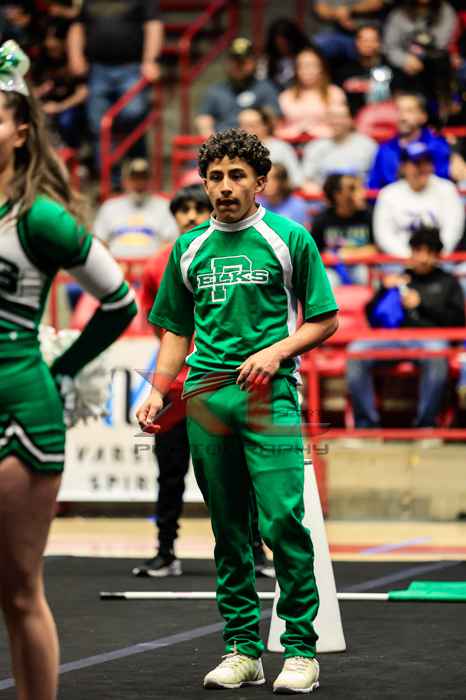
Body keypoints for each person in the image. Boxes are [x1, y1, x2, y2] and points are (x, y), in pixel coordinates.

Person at [136, 128, 339, 693]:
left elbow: (325, 319)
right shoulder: (188, 248)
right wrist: (158, 389)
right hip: (205, 395)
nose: (225, 187)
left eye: (237, 176)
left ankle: (300, 652)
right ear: (205, 184)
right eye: (215, 177)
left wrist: (276, 352)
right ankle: (243, 650)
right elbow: (175, 329)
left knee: (282, 521)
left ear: (260, 182)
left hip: (269, 396)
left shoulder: (289, 238)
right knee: (229, 530)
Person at [0, 40, 137, 699]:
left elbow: (120, 300)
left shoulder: (41, 218)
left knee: (18, 589)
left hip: (18, 414)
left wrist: (66, 367)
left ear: (21, 131)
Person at [135, 184, 274, 578]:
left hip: (225, 382)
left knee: (240, 470)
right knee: (170, 471)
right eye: (184, 209)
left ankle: (255, 551)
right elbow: (163, 324)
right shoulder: (160, 263)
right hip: (179, 386)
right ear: (175, 216)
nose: (192, 215)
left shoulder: (238, 251)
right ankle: (165, 551)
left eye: (198, 207)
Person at [347, 224, 465, 429]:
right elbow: (372, 318)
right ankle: (366, 426)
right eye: (418, 250)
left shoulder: (448, 282)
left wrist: (421, 304)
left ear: (437, 255)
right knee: (355, 351)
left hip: (431, 340)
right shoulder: (400, 277)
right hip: (392, 338)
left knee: (437, 355)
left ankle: (426, 426)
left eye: (429, 252)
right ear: (412, 252)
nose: (423, 257)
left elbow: (457, 322)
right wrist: (383, 289)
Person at [67, 0, 163, 172]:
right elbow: (77, 28)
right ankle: (110, 175)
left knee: (133, 112)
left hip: (131, 68)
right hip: (98, 69)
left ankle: (134, 162)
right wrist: (75, 56)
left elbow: (153, 26)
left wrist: (150, 60)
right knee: (97, 122)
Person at [373, 141, 464, 256]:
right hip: (399, 260)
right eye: (417, 163)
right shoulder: (388, 194)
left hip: (439, 259)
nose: (423, 168)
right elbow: (384, 235)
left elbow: (453, 230)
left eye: (427, 162)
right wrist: (410, 257)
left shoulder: (447, 189)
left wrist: (433, 254)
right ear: (403, 167)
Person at [93, 158, 178, 260]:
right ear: (126, 180)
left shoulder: (164, 206)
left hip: (152, 265)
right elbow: (99, 242)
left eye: (143, 177)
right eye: (135, 178)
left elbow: (170, 243)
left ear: (150, 180)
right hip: (116, 264)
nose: (139, 183)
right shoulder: (109, 207)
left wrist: (154, 265)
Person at [383, 0, 457, 117]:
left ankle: (442, 111)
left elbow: (442, 43)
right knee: (394, 71)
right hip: (405, 64)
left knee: (441, 62)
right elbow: (390, 46)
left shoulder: (445, 10)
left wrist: (420, 57)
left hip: (434, 61)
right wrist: (405, 60)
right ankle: (400, 113)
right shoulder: (399, 14)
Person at [196, 37, 280, 137]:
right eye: (234, 61)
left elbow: (274, 119)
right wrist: (213, 142)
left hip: (256, 141)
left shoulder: (266, 88)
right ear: (227, 62)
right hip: (223, 142)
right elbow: (204, 119)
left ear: (253, 62)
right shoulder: (215, 90)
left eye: (242, 62)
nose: (238, 66)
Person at [367, 92, 451, 189]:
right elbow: (373, 189)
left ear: (423, 116)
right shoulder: (384, 150)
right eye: (398, 110)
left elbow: (443, 186)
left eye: (409, 111)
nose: (402, 117)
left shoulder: (437, 147)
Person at [311, 174, 376, 284]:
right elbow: (314, 253)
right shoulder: (321, 220)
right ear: (337, 195)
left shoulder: (369, 216)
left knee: (363, 274)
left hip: (362, 265)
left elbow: (377, 248)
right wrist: (333, 257)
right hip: (332, 269)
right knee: (328, 279)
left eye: (361, 187)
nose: (362, 193)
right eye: (352, 188)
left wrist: (350, 254)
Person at [32, 20, 88, 149]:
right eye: (47, 38)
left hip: (71, 107)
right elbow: (37, 87)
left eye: (54, 38)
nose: (49, 43)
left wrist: (59, 107)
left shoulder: (76, 62)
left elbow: (83, 92)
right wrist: (39, 91)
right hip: (48, 105)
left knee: (66, 120)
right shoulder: (43, 59)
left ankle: (75, 152)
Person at [301, 102, 377, 194]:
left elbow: (376, 178)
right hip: (323, 197)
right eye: (332, 117)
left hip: (358, 196)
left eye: (340, 117)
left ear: (351, 120)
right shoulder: (315, 146)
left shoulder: (368, 145)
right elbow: (306, 178)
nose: (336, 121)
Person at [276, 45, 347, 140]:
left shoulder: (335, 93)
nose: (307, 71)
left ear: (321, 68)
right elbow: (278, 129)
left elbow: (342, 125)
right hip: (293, 143)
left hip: (328, 143)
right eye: (302, 66)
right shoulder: (285, 96)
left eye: (312, 65)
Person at [335, 23, 393, 115]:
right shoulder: (344, 71)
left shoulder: (390, 69)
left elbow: (397, 96)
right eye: (364, 40)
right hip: (354, 118)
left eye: (372, 40)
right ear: (357, 43)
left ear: (379, 43)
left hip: (384, 117)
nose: (368, 44)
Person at [238, 106, 304, 187]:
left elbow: (296, 179)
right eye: (242, 125)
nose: (245, 130)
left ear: (265, 125)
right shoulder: (236, 149)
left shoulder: (280, 148)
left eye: (251, 125)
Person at [257, 18, 311, 91]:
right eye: (279, 44)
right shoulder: (266, 60)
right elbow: (262, 81)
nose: (283, 47)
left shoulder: (306, 58)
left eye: (286, 44)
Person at [257, 162, 310, 228]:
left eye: (273, 178)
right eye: (264, 178)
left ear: (282, 181)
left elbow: (301, 233)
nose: (267, 182)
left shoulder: (298, 206)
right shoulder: (256, 204)